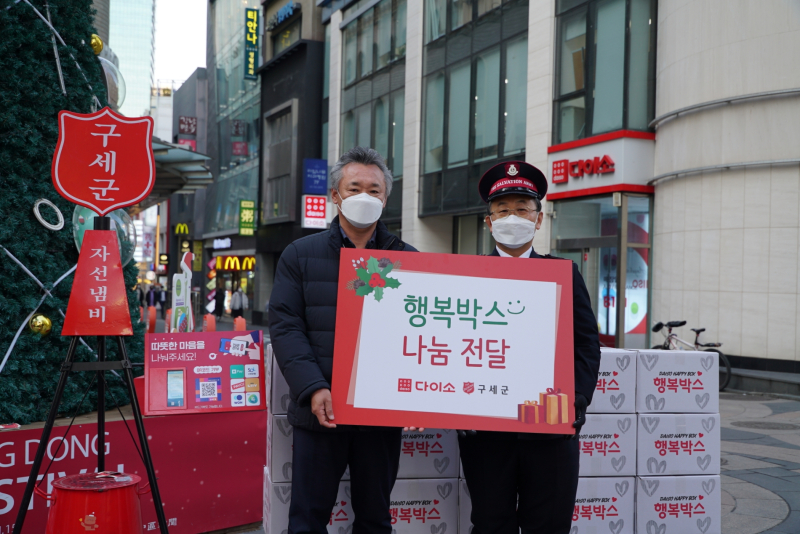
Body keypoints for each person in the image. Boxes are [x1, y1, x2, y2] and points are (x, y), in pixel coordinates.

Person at [269, 147, 417, 534]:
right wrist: (313, 387)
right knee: (307, 519)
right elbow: (286, 326)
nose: (365, 197)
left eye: (374, 189)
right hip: (322, 413)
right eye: (355, 188)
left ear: (385, 198)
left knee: (375, 519)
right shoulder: (300, 255)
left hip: (381, 415)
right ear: (335, 195)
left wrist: (419, 394)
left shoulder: (409, 259)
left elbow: (419, 333)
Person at [458, 161, 601, 534]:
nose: (513, 217)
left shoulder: (564, 273)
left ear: (538, 220)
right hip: (486, 433)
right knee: (490, 524)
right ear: (488, 222)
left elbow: (586, 345)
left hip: (551, 429)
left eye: (523, 209)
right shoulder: (464, 278)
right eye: (503, 210)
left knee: (549, 525)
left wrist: (578, 399)